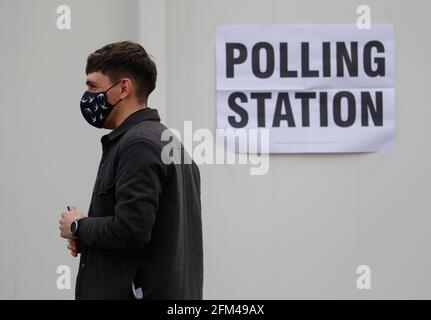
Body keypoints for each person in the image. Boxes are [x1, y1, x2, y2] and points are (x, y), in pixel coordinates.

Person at [58, 41, 203, 300]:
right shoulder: (169, 144)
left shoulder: (138, 145)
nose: (88, 96)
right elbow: (150, 234)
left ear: (123, 87)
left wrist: (79, 226)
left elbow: (130, 230)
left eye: (93, 86)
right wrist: (89, 235)